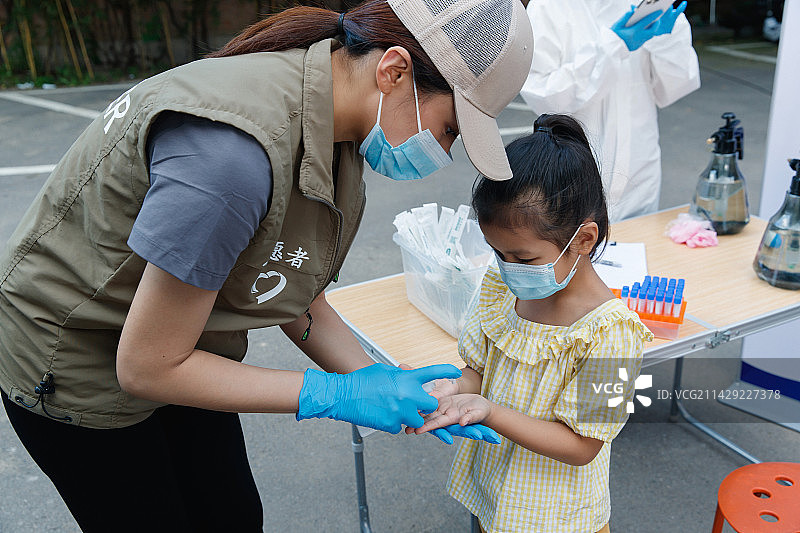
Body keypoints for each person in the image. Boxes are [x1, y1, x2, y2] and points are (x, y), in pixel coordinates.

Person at [0, 1, 533, 531]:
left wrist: (375, 378)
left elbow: (290, 289)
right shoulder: (230, 159)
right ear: (393, 72)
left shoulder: (339, 119)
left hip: (181, 339)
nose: (444, 149)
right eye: (450, 129)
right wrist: (337, 395)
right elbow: (147, 366)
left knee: (231, 515)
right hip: (78, 356)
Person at [410, 114, 653, 532]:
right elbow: (478, 372)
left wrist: (488, 411)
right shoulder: (499, 288)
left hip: (559, 517)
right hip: (500, 496)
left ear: (583, 239)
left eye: (523, 259)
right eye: (497, 252)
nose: (508, 268)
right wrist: (450, 389)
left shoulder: (614, 335)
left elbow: (582, 446)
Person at [520, 1, 700, 222]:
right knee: (576, 244)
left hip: (639, 173)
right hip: (573, 173)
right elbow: (545, 97)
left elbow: (675, 87)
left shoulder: (645, 3)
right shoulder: (549, 7)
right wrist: (612, 47)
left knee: (639, 246)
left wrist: (665, 41)